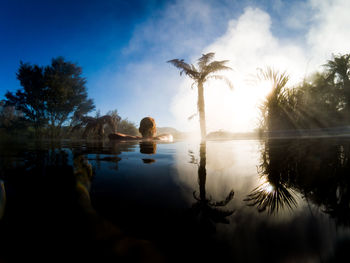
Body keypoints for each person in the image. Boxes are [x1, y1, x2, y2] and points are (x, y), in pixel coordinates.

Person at [109, 117, 173, 141]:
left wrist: (137, 138)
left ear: (139, 130)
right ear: (155, 130)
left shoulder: (135, 139)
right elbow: (170, 135)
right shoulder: (159, 138)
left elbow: (112, 135)